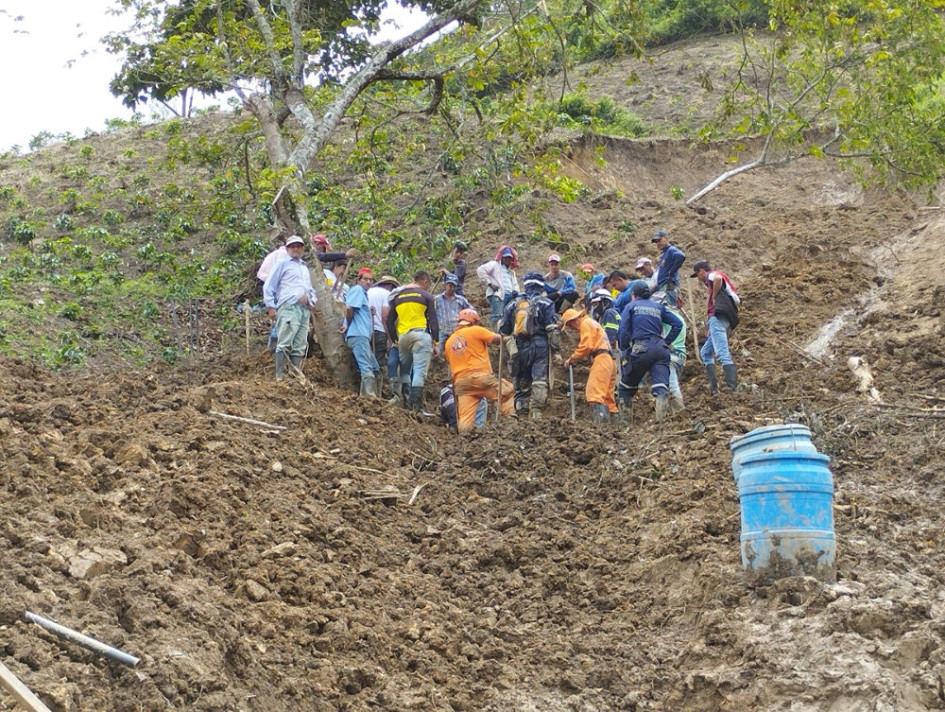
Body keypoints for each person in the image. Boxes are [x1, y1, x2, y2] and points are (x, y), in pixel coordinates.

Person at [616, 280, 684, 421]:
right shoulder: (658, 307)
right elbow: (677, 324)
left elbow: (623, 330)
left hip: (640, 348)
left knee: (625, 388)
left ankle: (625, 424)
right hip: (660, 350)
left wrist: (625, 349)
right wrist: (666, 342)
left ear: (633, 295)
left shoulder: (631, 306)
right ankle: (661, 422)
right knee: (661, 388)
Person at [498, 271, 560, 419]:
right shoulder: (546, 303)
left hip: (519, 347)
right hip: (540, 346)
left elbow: (504, 329)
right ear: (541, 286)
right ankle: (537, 414)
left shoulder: (513, 304)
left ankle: (522, 416)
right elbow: (552, 329)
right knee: (539, 378)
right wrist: (556, 351)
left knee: (521, 379)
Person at [443, 309, 515, 432]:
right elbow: (497, 339)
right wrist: (510, 337)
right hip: (479, 377)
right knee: (508, 392)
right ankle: (512, 424)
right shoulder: (475, 330)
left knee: (465, 418)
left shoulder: (449, 342)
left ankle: (465, 436)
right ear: (474, 322)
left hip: (461, 383)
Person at [262, 235, 317, 381]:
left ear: (303, 249)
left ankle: (295, 375)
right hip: (289, 307)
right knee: (285, 341)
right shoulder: (282, 264)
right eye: (293, 246)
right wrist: (270, 306)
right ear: (287, 249)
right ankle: (280, 376)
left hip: (303, 310)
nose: (296, 249)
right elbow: (269, 285)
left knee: (299, 343)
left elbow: (310, 289)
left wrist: (311, 301)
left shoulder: (304, 267)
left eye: (298, 246)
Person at [386, 270, 439, 412]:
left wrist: (396, 341)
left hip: (403, 338)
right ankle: (416, 408)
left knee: (405, 370)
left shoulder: (398, 297)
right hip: (420, 335)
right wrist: (436, 342)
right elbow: (433, 320)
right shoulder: (427, 296)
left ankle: (406, 401)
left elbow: (389, 321)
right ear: (425, 281)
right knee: (420, 371)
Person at [691, 260, 741, 394]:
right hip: (725, 319)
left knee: (721, 352)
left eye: (697, 275)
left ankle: (732, 387)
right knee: (705, 353)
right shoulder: (723, 284)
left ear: (701, 271)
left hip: (718, 318)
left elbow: (717, 279)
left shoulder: (712, 275)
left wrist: (713, 296)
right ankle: (714, 388)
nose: (699, 279)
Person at [561, 309, 618, 424]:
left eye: (569, 324)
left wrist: (573, 358)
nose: (571, 328)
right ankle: (615, 427)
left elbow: (586, 345)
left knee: (595, 394)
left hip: (601, 359)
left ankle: (600, 428)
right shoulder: (592, 323)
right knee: (607, 397)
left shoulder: (585, 323)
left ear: (574, 319)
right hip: (609, 360)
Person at [343, 268, 380, 397]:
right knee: (366, 367)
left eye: (371, 279)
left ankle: (372, 395)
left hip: (362, 335)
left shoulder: (364, 294)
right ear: (358, 280)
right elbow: (349, 308)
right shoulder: (357, 290)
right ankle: (368, 397)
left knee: (374, 368)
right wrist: (347, 324)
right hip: (358, 334)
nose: (368, 282)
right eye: (365, 279)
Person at [652, 291, 687, 413]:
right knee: (671, 385)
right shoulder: (678, 316)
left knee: (671, 387)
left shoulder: (664, 319)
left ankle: (680, 414)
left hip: (671, 356)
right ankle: (674, 415)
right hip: (681, 356)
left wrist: (664, 343)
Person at [367, 275, 399, 395]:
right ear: (389, 286)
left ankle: (367, 391)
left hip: (366, 330)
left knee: (367, 362)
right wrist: (390, 338)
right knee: (378, 364)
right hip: (379, 331)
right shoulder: (386, 294)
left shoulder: (368, 291)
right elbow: (385, 316)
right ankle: (376, 393)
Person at [476, 245, 520, 326]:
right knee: (498, 317)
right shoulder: (495, 265)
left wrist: (515, 291)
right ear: (502, 258)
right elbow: (480, 270)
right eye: (505, 257)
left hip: (509, 297)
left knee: (508, 317)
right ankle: (496, 336)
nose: (507, 259)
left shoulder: (511, 272)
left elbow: (515, 285)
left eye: (509, 258)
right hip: (497, 294)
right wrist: (490, 284)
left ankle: (504, 336)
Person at [434, 273, 473, 352]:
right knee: (437, 352)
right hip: (442, 330)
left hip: (457, 330)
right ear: (445, 285)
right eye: (449, 285)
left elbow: (471, 311)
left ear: (456, 287)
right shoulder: (436, 299)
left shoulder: (461, 300)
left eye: (453, 286)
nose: (450, 288)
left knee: (461, 350)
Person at [652, 228, 686, 307]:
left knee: (670, 309)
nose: (658, 243)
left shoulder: (671, 250)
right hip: (663, 287)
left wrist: (672, 271)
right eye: (656, 242)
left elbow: (681, 256)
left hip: (668, 287)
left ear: (666, 238)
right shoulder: (664, 254)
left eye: (659, 240)